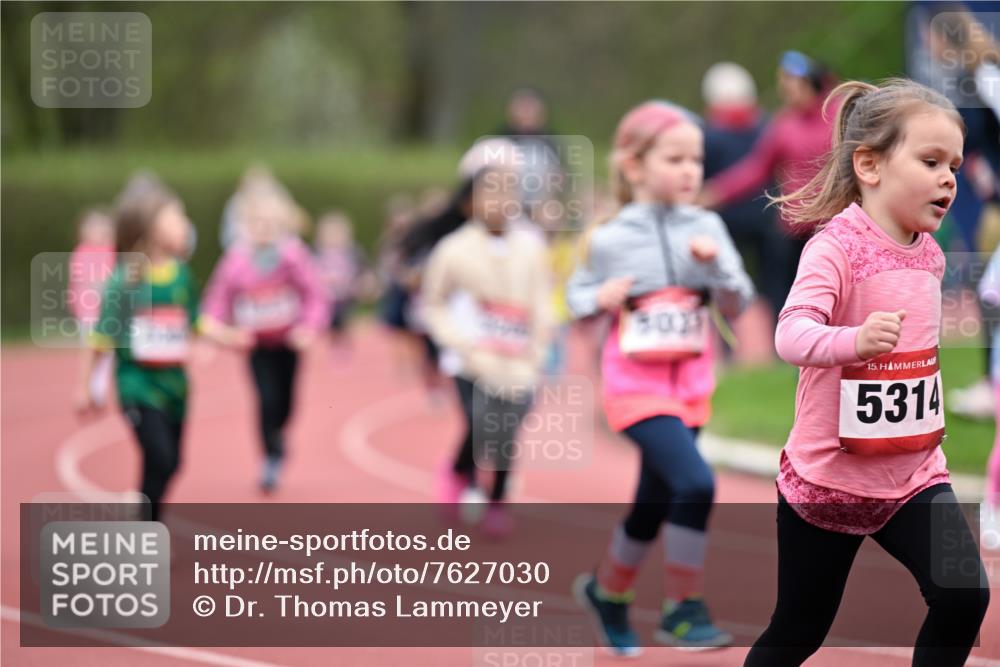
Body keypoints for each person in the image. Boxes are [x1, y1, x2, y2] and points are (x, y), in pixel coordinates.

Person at [744, 79, 989, 667]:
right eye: (930, 161)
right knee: (799, 631)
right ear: (870, 165)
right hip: (829, 480)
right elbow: (790, 334)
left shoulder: (929, 252)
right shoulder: (836, 248)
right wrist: (853, 341)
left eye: (953, 164)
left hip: (913, 476)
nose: (948, 177)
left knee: (965, 596)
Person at [566, 100, 755, 653]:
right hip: (635, 388)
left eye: (696, 159)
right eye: (674, 158)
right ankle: (682, 608)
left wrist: (714, 266)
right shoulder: (609, 237)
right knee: (696, 483)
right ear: (633, 165)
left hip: (692, 386)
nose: (689, 171)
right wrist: (596, 298)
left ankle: (608, 592)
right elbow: (574, 297)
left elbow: (739, 302)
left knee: (654, 502)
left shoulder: (709, 226)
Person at [421, 156, 551, 539]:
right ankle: (462, 473)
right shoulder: (453, 249)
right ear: (470, 203)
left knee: (506, 432)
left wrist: (538, 348)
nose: (500, 199)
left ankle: (496, 499)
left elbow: (541, 301)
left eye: (509, 190)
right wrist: (459, 341)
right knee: (480, 424)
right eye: (490, 191)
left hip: (518, 361)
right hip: (469, 360)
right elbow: (434, 302)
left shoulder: (531, 248)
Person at [75, 176, 201, 522]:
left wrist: (231, 336)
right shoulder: (124, 281)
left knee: (171, 462)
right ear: (150, 228)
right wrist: (84, 385)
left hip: (176, 386)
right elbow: (99, 339)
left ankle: (146, 518)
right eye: (177, 218)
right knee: (159, 456)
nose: (185, 226)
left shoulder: (180, 275)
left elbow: (195, 321)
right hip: (138, 386)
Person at [200, 185, 329, 492]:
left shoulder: (294, 256)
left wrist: (309, 328)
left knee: (287, 403)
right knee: (265, 400)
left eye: (272, 224)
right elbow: (218, 299)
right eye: (257, 223)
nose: (264, 230)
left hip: (289, 342)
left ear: (283, 226)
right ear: (244, 226)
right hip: (255, 345)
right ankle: (270, 457)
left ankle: (279, 435)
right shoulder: (235, 261)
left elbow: (315, 295)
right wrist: (212, 332)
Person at [699, 51, 837, 312]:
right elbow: (757, 167)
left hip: (833, 224)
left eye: (792, 86)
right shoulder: (783, 124)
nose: (787, 93)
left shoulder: (839, 114)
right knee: (788, 295)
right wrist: (717, 191)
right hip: (795, 227)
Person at [701, 62, 778, 363]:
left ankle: (728, 351)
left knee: (724, 284)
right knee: (771, 286)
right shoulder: (765, 127)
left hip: (726, 220)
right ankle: (776, 347)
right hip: (764, 216)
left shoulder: (709, 134)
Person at [68, 208, 116, 407]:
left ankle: (98, 390)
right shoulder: (82, 253)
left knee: (107, 352)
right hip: (89, 312)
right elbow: (82, 281)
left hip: (107, 312)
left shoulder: (112, 250)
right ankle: (83, 389)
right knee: (90, 351)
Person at [314, 210, 369, 343]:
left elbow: (364, 271)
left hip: (346, 299)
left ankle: (343, 347)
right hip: (324, 299)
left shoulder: (354, 252)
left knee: (343, 326)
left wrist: (364, 284)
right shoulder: (315, 252)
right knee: (324, 327)